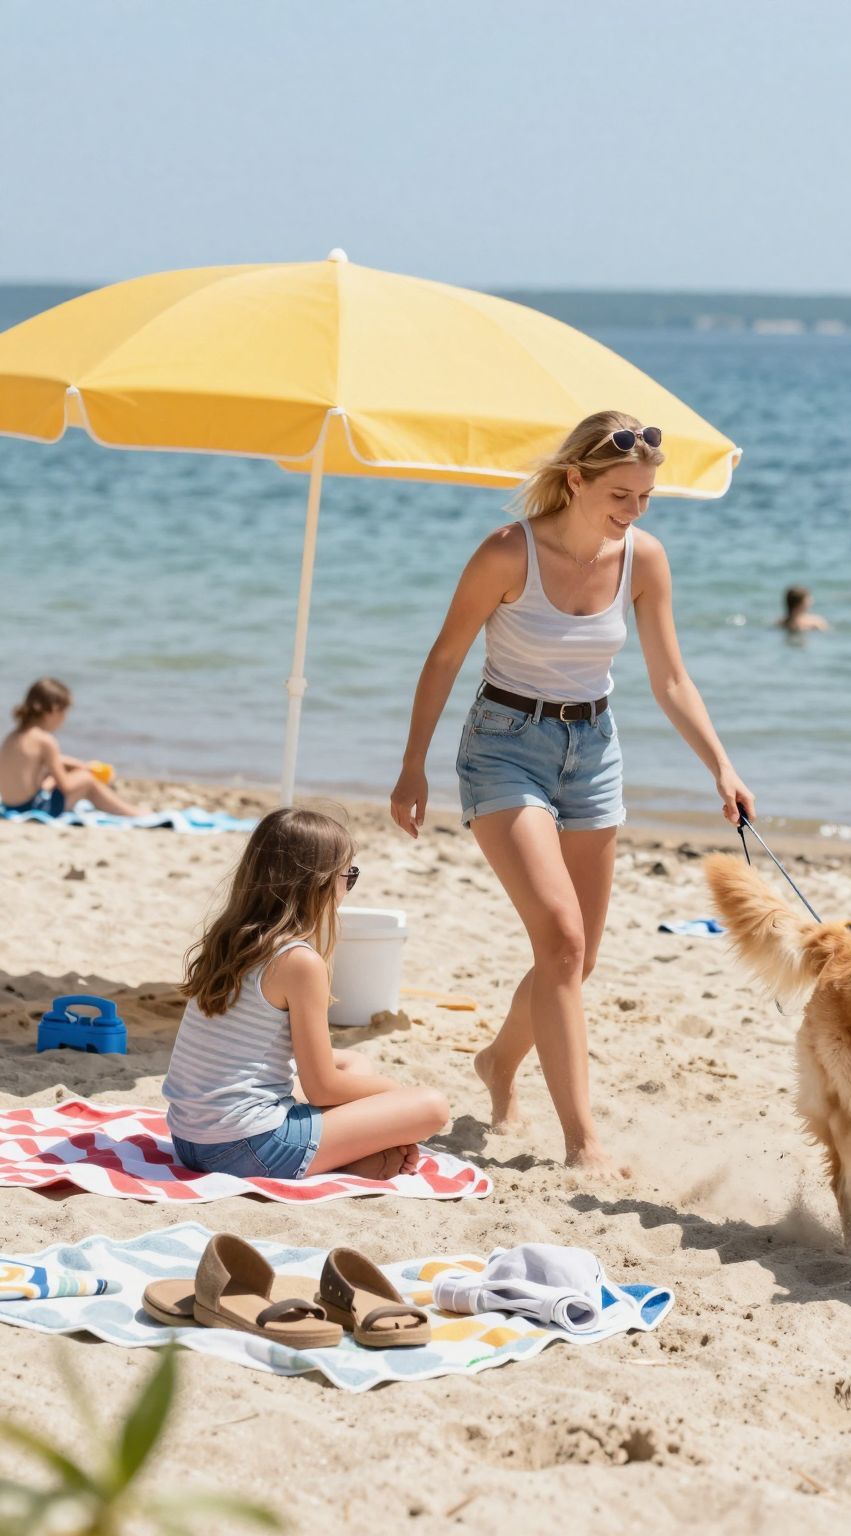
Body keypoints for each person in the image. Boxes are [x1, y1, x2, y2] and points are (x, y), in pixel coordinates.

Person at [388, 410, 754, 1177]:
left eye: (647, 496)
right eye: (621, 494)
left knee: (576, 959)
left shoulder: (644, 559)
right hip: (503, 748)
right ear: (577, 479)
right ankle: (583, 1141)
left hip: (594, 751)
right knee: (559, 937)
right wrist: (412, 764)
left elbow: (671, 678)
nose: (635, 509)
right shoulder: (506, 553)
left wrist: (721, 766)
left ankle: (498, 1063)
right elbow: (445, 656)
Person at [164, 808, 449, 1180]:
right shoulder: (298, 962)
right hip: (243, 1146)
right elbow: (322, 1089)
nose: (348, 887)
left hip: (190, 1141)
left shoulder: (231, 938)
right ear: (318, 883)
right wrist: (392, 1093)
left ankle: (352, 1156)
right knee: (431, 1105)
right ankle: (349, 1155)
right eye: (349, 876)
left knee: (354, 1064)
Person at [0, 677, 142, 817]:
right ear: (54, 710)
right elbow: (66, 786)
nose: (64, 719)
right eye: (64, 712)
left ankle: (127, 810)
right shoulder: (45, 740)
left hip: (12, 806)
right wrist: (86, 772)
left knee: (64, 773)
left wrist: (80, 765)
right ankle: (131, 812)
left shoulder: (13, 736)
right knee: (86, 779)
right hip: (34, 808)